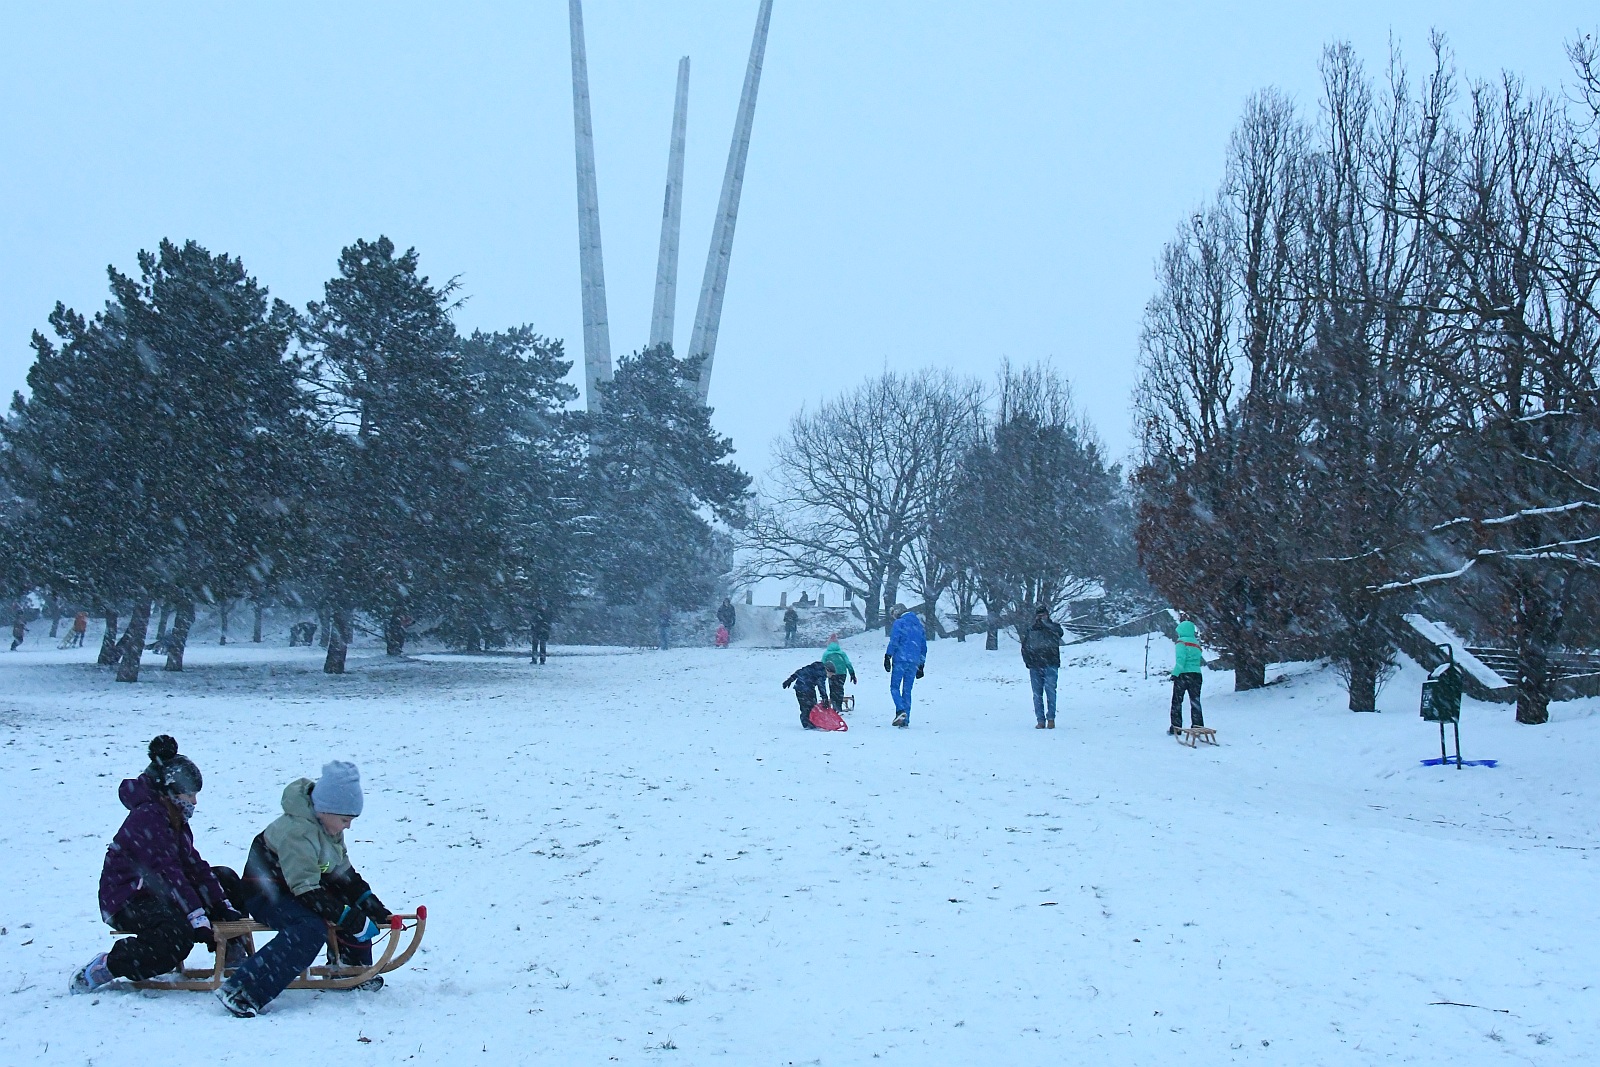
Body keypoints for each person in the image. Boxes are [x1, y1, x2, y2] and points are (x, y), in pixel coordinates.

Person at [216, 761, 391, 1017]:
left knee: (348, 907)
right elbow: (306, 890)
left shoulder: (327, 828)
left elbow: (343, 874)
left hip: (299, 886)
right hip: (266, 892)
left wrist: (368, 903)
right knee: (309, 928)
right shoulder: (297, 832)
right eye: (345, 819)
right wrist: (348, 917)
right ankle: (242, 990)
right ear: (326, 810)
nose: (348, 826)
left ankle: (350, 968)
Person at [70, 736, 243, 994]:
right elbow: (168, 871)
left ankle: (232, 952)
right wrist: (196, 917)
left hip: (158, 890)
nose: (194, 802)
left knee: (224, 879)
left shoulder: (173, 815)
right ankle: (108, 966)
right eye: (190, 794)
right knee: (176, 937)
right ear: (171, 791)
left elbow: (192, 865)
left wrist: (222, 905)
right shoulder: (149, 817)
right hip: (127, 898)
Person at [883, 605, 927, 728]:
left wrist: (888, 656)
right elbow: (923, 647)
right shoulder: (919, 626)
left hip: (900, 660)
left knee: (894, 687)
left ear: (897, 612)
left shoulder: (899, 623)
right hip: (914, 662)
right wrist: (921, 665)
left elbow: (894, 640)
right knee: (907, 691)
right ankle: (905, 719)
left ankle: (900, 710)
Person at [1021, 605, 1064, 729]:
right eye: (1039, 616)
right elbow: (1025, 647)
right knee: (1037, 694)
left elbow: (1060, 634)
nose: (1041, 618)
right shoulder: (1031, 630)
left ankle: (1051, 718)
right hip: (1035, 665)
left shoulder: (1054, 627)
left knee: (1051, 692)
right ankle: (1040, 720)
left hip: (1051, 664)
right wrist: (1028, 661)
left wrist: (1046, 624)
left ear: (1047, 615)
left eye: (1043, 615)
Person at [1170, 617, 1205, 735]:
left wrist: (1175, 673)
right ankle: (1198, 725)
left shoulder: (1181, 643)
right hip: (1197, 675)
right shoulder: (1196, 643)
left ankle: (1176, 727)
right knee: (1195, 701)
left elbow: (1181, 660)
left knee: (1177, 701)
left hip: (1183, 675)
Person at [782, 660, 831, 730]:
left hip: (800, 687)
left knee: (808, 706)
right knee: (809, 706)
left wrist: (790, 679)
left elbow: (800, 671)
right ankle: (807, 724)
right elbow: (821, 686)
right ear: (828, 670)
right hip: (806, 688)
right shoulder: (822, 673)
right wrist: (825, 697)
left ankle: (810, 722)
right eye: (830, 674)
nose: (829, 677)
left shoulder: (813, 667)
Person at [821, 635, 856, 712]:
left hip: (831, 673)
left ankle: (834, 707)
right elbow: (848, 663)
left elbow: (822, 664)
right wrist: (852, 673)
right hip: (842, 673)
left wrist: (821, 674)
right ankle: (839, 706)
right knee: (840, 689)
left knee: (832, 690)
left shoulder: (826, 654)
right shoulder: (842, 653)